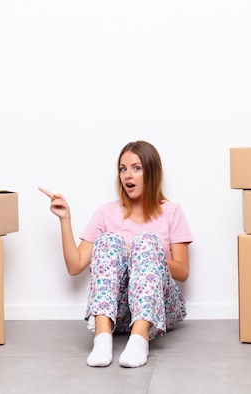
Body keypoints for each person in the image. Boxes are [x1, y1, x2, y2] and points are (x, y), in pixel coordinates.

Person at [39, 140, 193, 368]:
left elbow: (182, 271)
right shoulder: (105, 212)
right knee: (109, 241)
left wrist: (144, 255)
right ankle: (102, 338)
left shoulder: (172, 212)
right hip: (118, 314)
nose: (127, 175)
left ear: (151, 172)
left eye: (136, 168)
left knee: (146, 241)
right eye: (123, 168)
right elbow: (75, 266)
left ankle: (140, 338)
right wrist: (65, 219)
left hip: (160, 310)